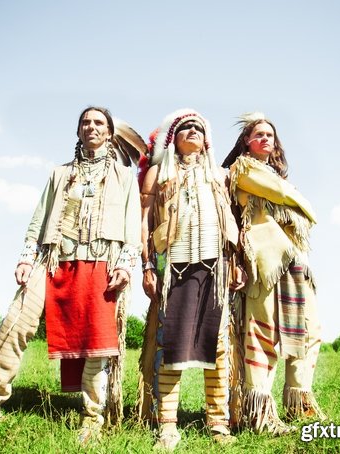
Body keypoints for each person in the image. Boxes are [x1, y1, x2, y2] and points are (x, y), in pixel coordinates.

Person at [0, 106, 144, 444]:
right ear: (78, 131)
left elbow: (132, 229)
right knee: (15, 323)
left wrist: (126, 264)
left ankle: (92, 418)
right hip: (54, 259)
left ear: (110, 133)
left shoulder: (123, 177)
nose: (91, 127)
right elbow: (38, 219)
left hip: (101, 262)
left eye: (99, 122)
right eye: (85, 122)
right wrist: (27, 257)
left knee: (96, 344)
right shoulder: (59, 174)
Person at [137, 109, 245, 450]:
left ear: (207, 138)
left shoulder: (219, 175)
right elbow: (144, 222)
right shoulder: (159, 173)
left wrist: (237, 261)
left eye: (199, 127)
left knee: (218, 346)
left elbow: (233, 218)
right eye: (186, 127)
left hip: (216, 266)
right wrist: (147, 266)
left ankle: (218, 423)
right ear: (173, 138)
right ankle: (168, 425)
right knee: (172, 345)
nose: (193, 131)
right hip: (175, 266)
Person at [222, 112, 326, 435]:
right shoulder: (243, 169)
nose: (265, 138)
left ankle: (299, 403)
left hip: (293, 262)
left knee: (307, 332)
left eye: (270, 135)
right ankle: (261, 415)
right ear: (246, 142)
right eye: (258, 134)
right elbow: (279, 194)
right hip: (264, 261)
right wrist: (305, 205)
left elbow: (281, 192)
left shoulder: (275, 176)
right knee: (262, 335)